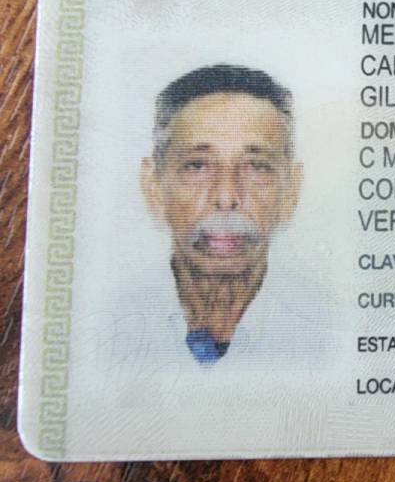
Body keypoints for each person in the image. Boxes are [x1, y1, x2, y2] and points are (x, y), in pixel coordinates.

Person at [110, 63, 330, 371]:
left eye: (256, 166)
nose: (226, 198)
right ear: (154, 188)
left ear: (290, 192)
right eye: (197, 165)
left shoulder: (332, 334)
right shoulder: (102, 325)